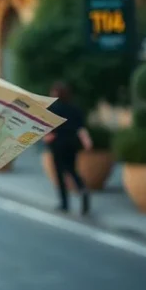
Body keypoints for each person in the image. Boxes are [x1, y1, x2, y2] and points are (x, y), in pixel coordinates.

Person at [45, 81, 93, 214]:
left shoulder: (53, 109)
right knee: (72, 170)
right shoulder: (74, 109)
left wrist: (46, 138)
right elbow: (81, 128)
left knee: (60, 174)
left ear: (55, 93)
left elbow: (48, 131)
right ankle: (82, 188)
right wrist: (87, 142)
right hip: (72, 144)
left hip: (58, 144)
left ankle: (64, 204)